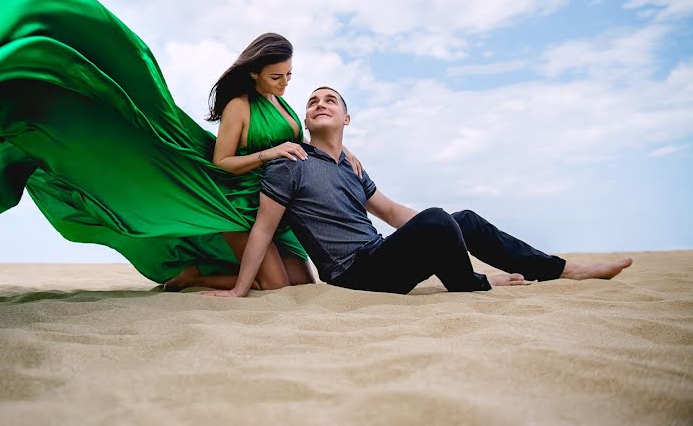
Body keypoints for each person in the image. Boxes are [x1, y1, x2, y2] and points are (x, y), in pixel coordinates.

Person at [203, 86, 633, 297]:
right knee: (436, 219)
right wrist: (242, 289)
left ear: (346, 119)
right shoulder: (290, 163)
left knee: (458, 218)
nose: (320, 104)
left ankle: (561, 270)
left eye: (330, 100)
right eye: (313, 101)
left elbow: (389, 211)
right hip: (352, 276)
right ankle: (474, 283)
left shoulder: (351, 166)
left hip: (381, 258)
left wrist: (444, 227)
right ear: (304, 119)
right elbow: (263, 229)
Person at [164, 34, 362, 291]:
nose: (285, 83)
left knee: (304, 283)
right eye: (276, 77)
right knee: (276, 285)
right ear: (255, 73)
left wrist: (344, 149)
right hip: (241, 206)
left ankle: (229, 271)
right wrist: (268, 154)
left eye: (289, 74)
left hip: (278, 204)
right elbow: (221, 161)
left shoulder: (281, 103)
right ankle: (195, 278)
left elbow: (302, 144)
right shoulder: (238, 106)